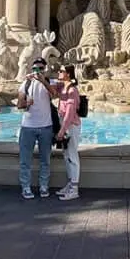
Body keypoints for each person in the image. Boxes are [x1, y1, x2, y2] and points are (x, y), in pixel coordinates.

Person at [17, 57, 55, 199]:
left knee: (45, 160)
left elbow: (55, 94)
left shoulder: (50, 82)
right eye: (34, 69)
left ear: (45, 69)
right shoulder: (25, 84)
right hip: (28, 126)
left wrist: (42, 80)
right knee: (25, 160)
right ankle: (25, 187)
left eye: (40, 68)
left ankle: (44, 186)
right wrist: (26, 102)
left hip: (46, 126)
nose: (37, 71)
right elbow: (19, 105)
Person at [52, 65, 82, 201]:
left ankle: (74, 189)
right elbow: (51, 87)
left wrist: (62, 130)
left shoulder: (72, 90)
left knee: (72, 156)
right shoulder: (63, 87)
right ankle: (70, 185)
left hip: (71, 126)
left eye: (61, 71)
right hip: (64, 125)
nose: (59, 72)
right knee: (66, 155)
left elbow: (69, 114)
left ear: (68, 74)